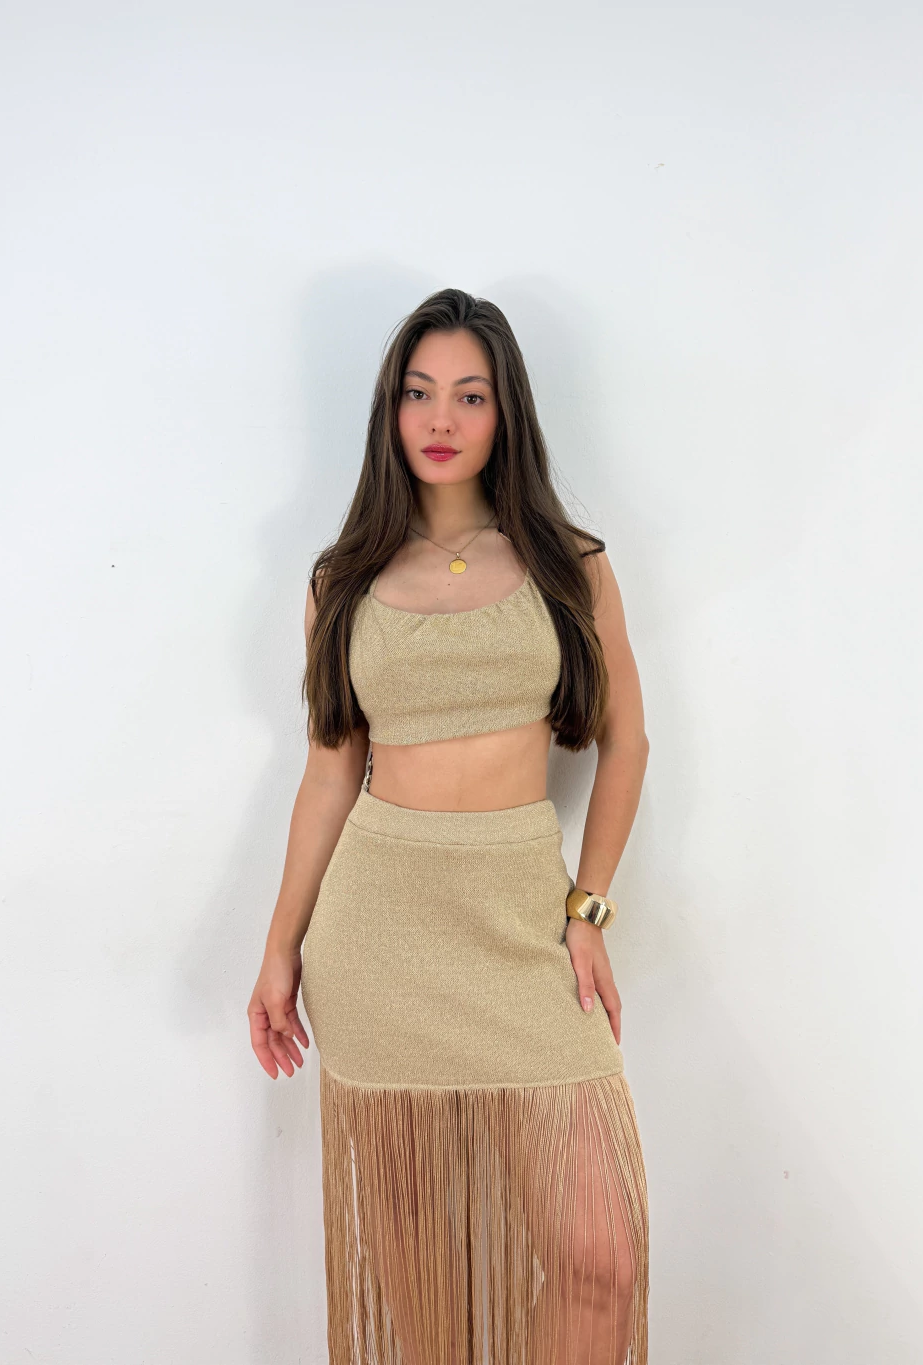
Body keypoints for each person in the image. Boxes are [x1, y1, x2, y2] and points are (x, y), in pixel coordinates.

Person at [247, 287, 651, 1365]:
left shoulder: (572, 564)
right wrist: (280, 949)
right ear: (390, 409)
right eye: (419, 392)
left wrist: (588, 910)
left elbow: (627, 744)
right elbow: (329, 773)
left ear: (505, 413)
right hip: (378, 939)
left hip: (523, 926)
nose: (440, 418)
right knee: (425, 1288)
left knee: (601, 1257)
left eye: (470, 395)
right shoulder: (341, 581)